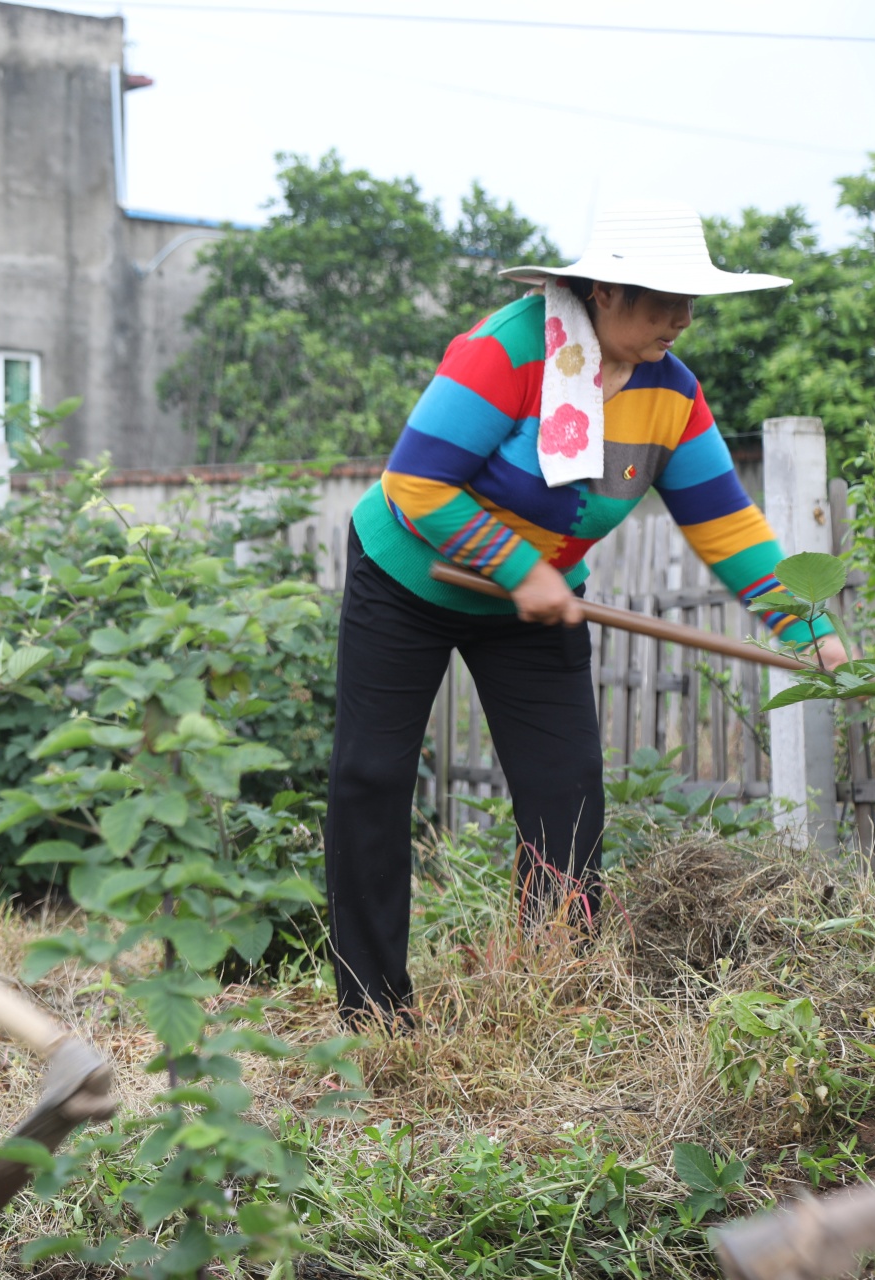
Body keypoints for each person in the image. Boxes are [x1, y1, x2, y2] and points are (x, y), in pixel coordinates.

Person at [325, 201, 846, 1027]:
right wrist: (520, 565)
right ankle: (374, 1013)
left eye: (689, 301)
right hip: (409, 577)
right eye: (659, 299)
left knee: (564, 792)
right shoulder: (506, 350)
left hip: (535, 604)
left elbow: (728, 525)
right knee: (370, 779)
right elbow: (419, 483)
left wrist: (812, 631)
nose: (680, 318)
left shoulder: (672, 395)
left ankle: (552, 992)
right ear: (602, 291)